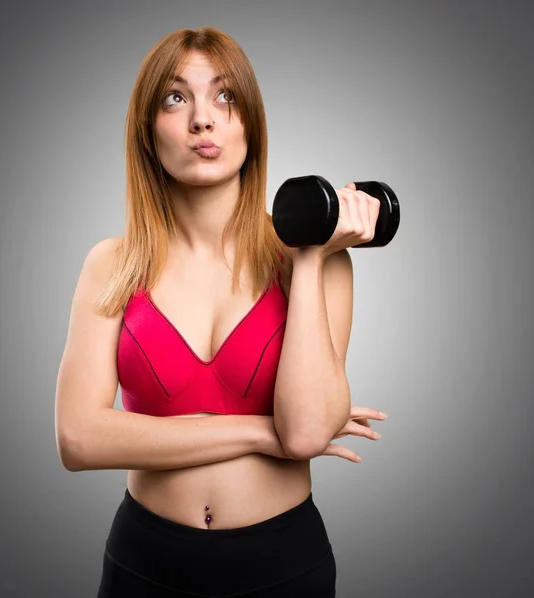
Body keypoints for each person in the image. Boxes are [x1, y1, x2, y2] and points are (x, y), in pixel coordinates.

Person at [55, 26, 387, 597]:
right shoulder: (111, 264)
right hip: (143, 562)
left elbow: (306, 432)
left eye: (225, 95)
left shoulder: (319, 263)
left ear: (250, 125)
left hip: (284, 563)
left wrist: (306, 257)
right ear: (147, 130)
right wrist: (260, 435)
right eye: (176, 97)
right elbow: (79, 440)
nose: (202, 120)